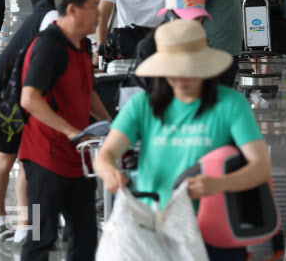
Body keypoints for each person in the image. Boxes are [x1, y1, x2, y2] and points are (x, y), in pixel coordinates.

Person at [94, 19, 270, 261]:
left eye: (189, 70)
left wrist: (219, 184)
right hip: (155, 229)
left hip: (216, 233)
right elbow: (106, 155)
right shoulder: (142, 106)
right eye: (172, 71)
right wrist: (109, 172)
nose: (180, 79)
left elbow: (260, 167)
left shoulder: (230, 105)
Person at [19, 0, 111, 260]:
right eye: (94, 6)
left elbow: (88, 91)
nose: (100, 13)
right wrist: (71, 131)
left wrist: (113, 124)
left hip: (76, 158)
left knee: (85, 239)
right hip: (46, 156)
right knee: (41, 239)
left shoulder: (81, 44)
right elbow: (30, 99)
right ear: (73, 9)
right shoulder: (49, 46)